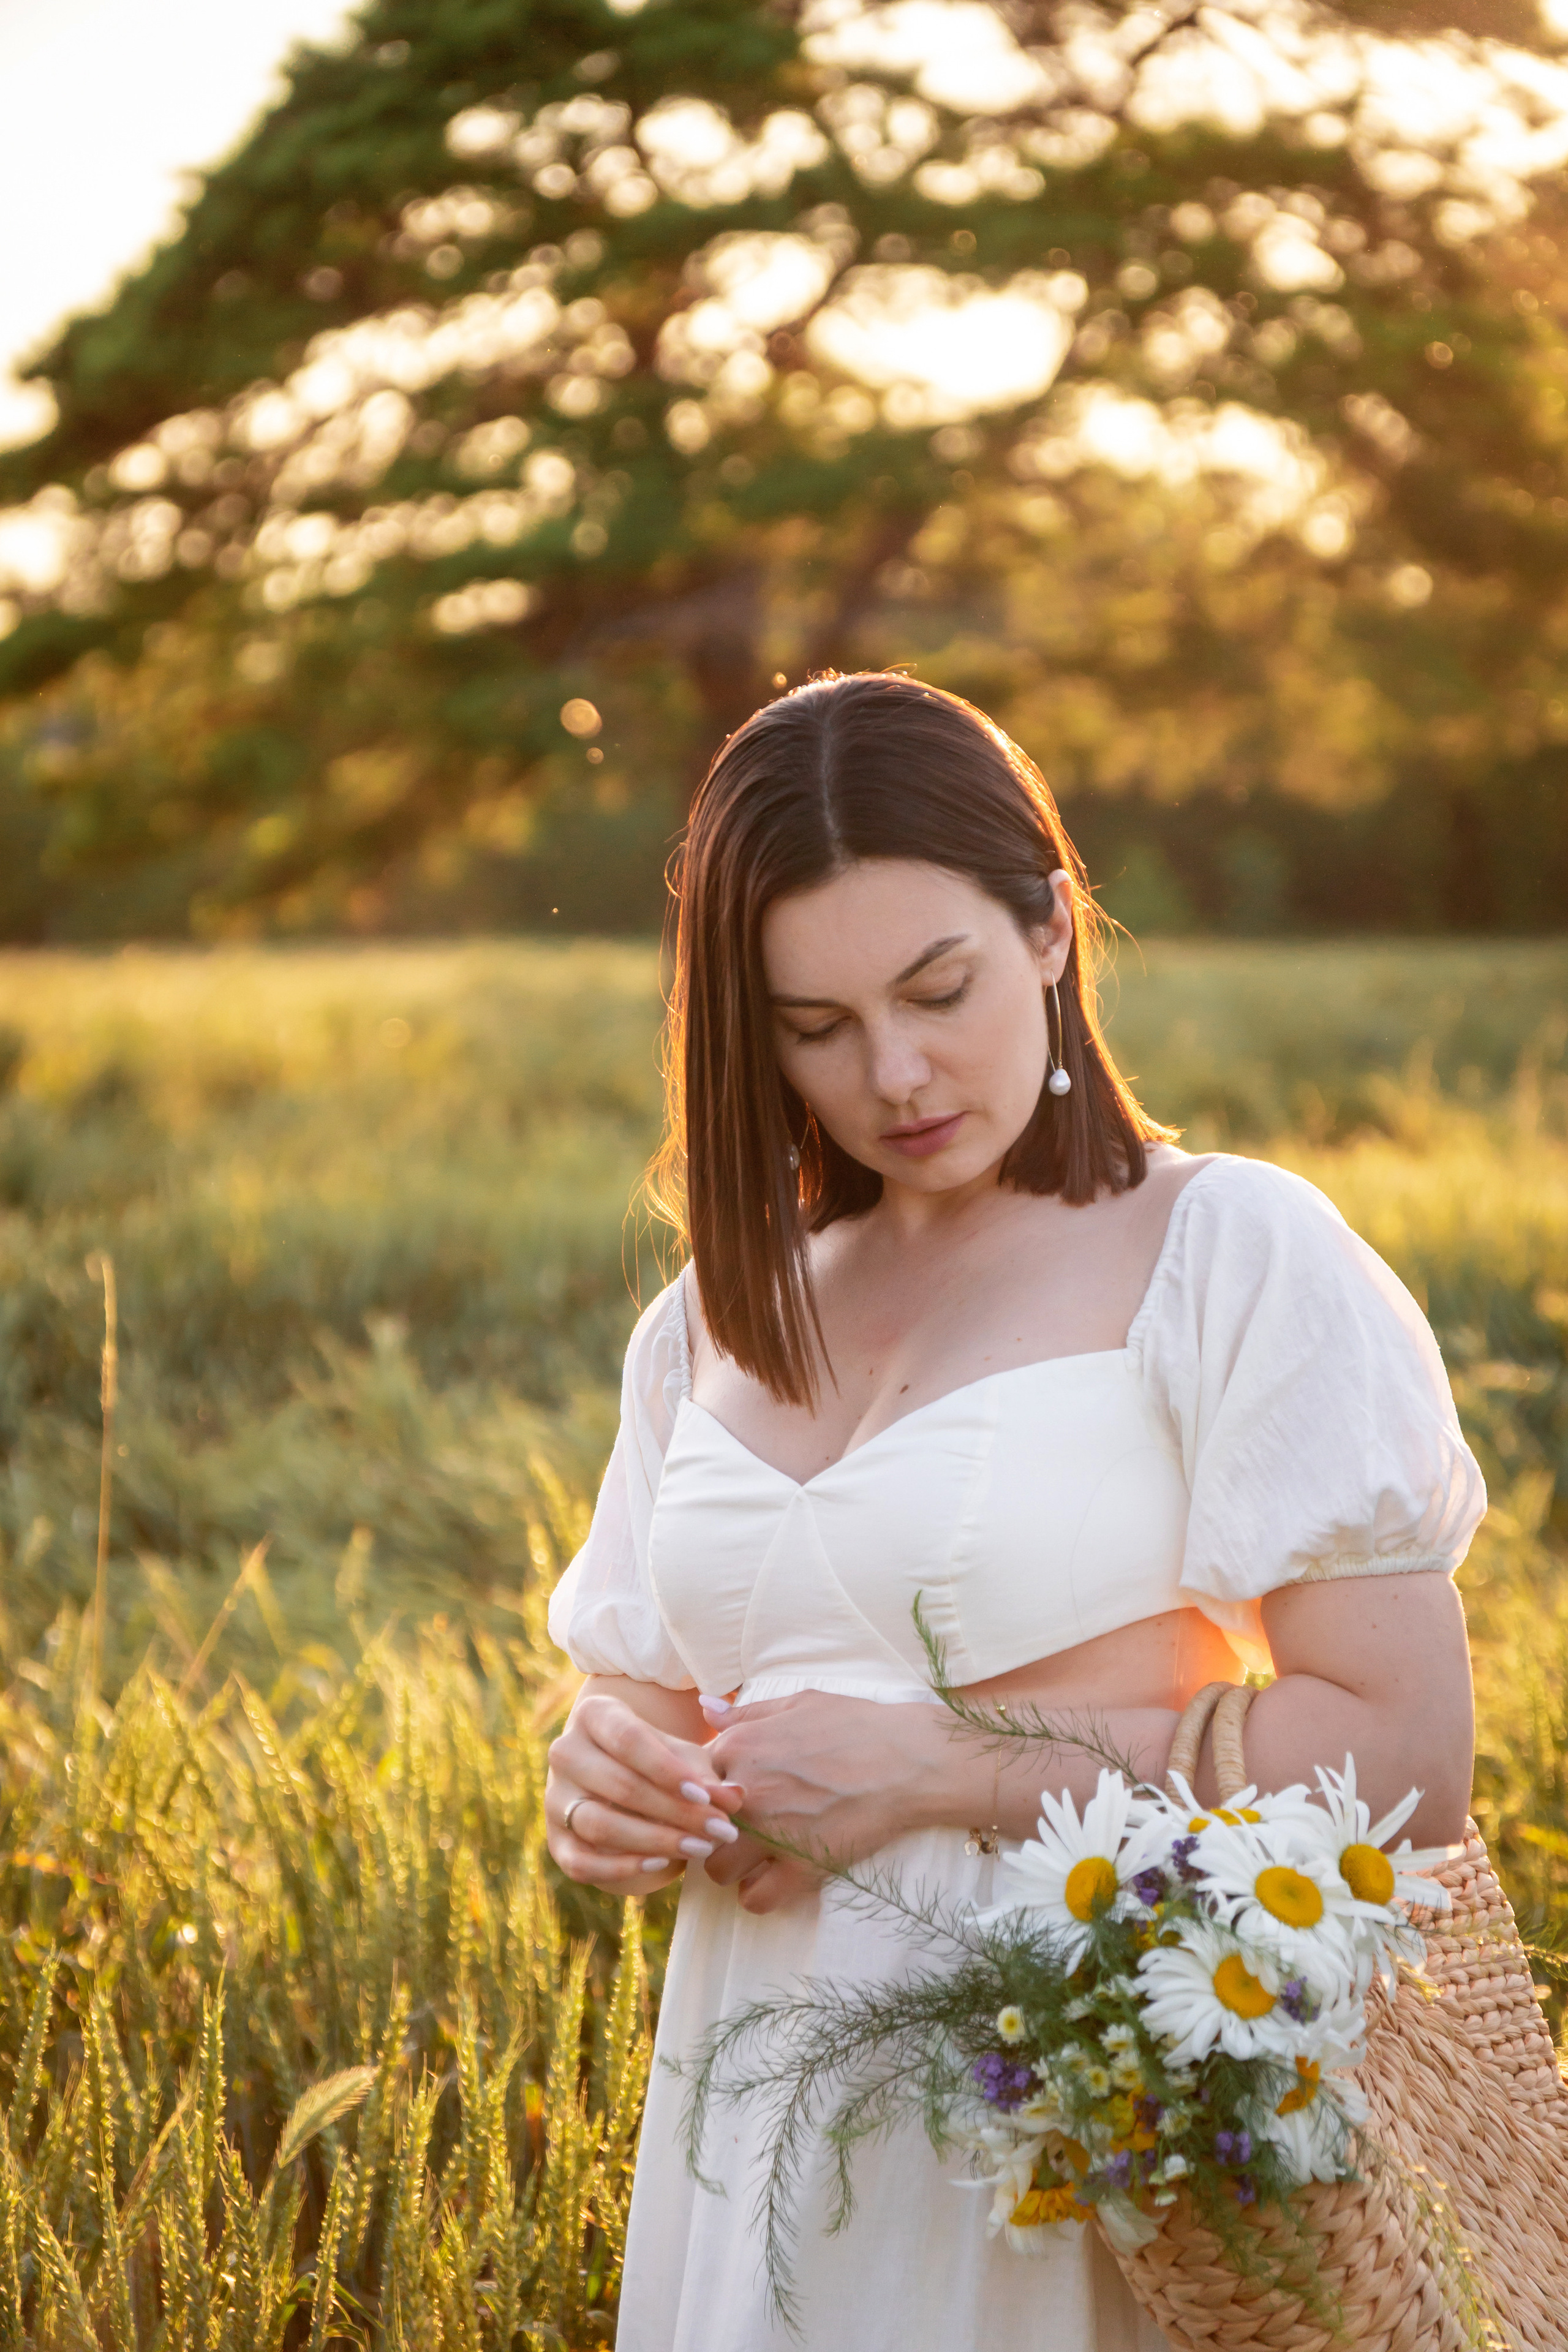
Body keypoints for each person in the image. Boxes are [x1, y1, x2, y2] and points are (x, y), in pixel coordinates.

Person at [543, 673, 1484, 2352]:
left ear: (1050, 927)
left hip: (1074, 2139)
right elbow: (649, 1686)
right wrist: (608, 1771)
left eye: (939, 986)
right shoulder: (706, 1315)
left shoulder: (1227, 1251)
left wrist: (941, 1772)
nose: (894, 1071)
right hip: (744, 2131)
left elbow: (1403, 1754)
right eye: (814, 1026)